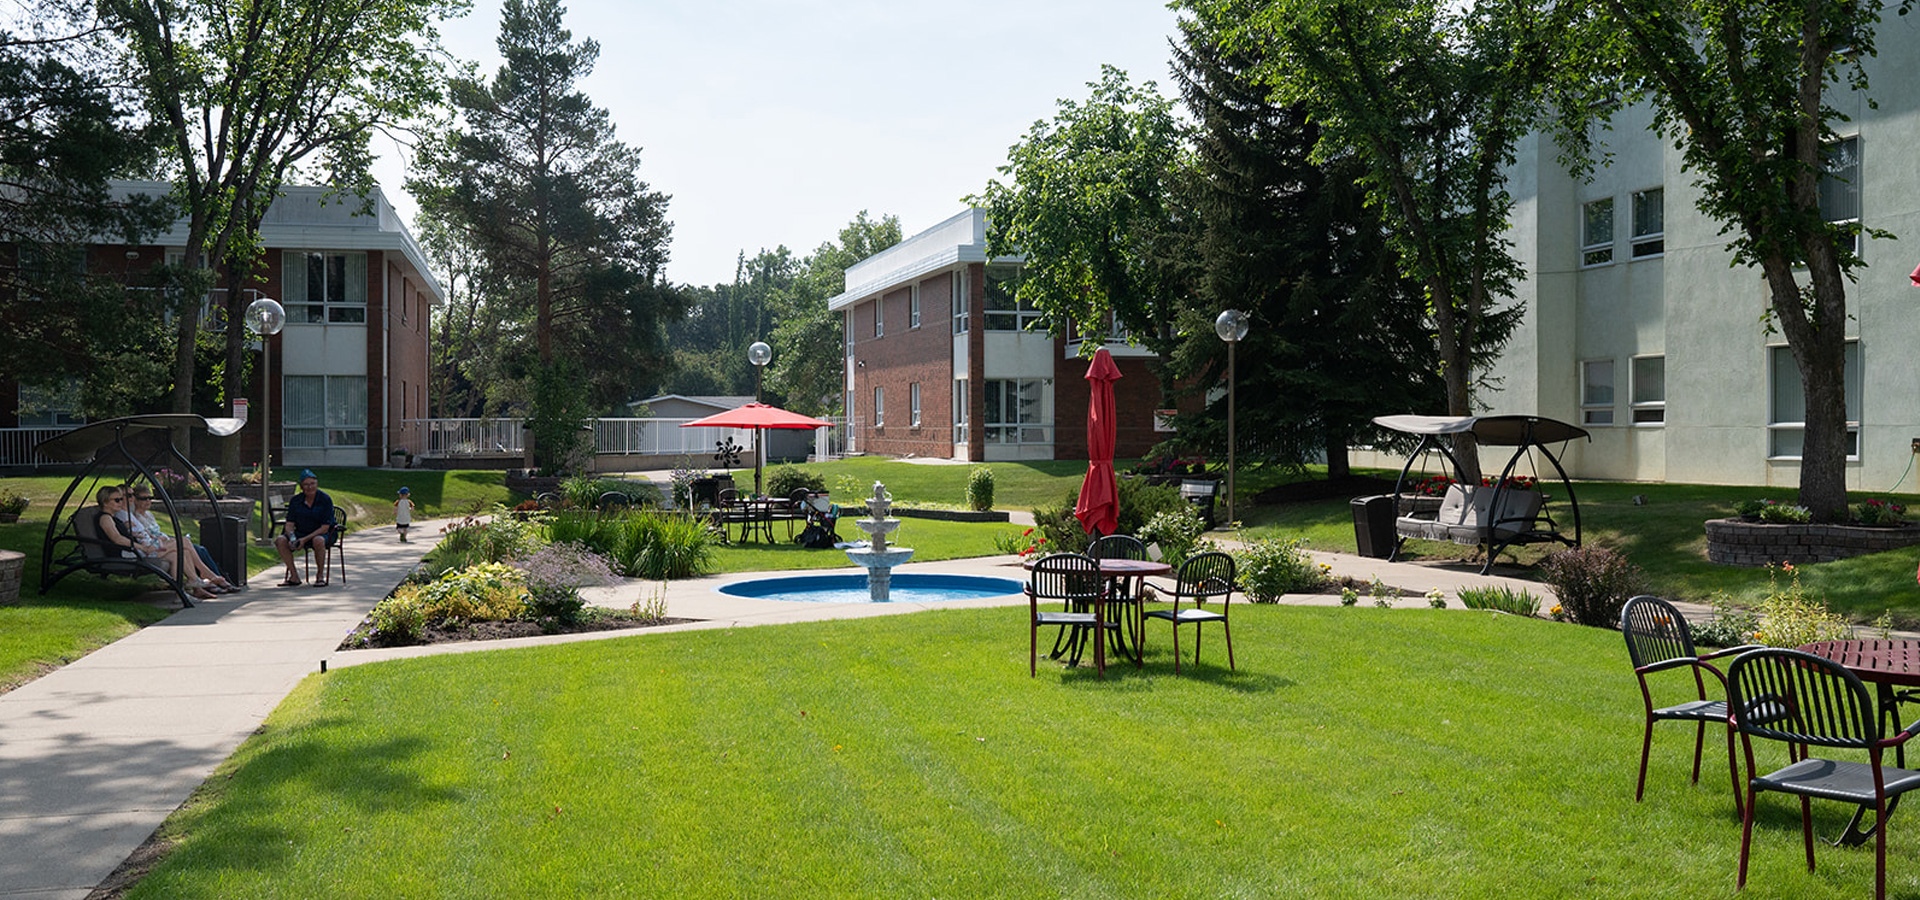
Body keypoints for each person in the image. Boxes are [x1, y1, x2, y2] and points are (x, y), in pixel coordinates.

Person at [94, 485, 215, 601]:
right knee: (182, 543)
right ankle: (196, 578)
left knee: (178, 554)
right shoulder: (105, 518)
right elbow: (117, 539)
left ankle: (181, 594)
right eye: (117, 500)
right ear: (105, 502)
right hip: (127, 554)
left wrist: (137, 536)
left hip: (133, 550)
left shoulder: (113, 517)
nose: (121, 502)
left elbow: (124, 535)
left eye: (121, 499)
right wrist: (142, 547)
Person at [125, 486, 239, 594]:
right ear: (135, 500)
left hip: (161, 543)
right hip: (152, 548)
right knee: (185, 542)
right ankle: (207, 574)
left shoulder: (149, 515)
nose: (148, 501)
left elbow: (156, 533)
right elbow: (146, 537)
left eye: (150, 498)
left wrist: (165, 538)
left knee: (189, 549)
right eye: (143, 498)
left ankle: (196, 585)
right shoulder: (134, 517)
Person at [274, 470, 336, 587]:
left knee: (318, 540)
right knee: (280, 540)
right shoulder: (296, 501)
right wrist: (292, 538)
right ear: (301, 487)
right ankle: (294, 576)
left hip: (323, 533)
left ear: (317, 484)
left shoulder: (324, 499)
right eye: (306, 485)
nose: (310, 487)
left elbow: (325, 527)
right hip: (301, 532)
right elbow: (289, 524)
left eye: (312, 484)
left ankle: (320, 576)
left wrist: (304, 540)